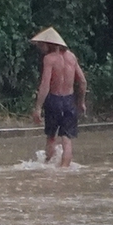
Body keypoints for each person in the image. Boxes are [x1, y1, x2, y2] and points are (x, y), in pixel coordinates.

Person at [29, 27, 88, 167]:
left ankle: (47, 167)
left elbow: (45, 85)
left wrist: (37, 108)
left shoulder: (49, 59)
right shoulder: (71, 57)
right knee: (67, 140)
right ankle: (64, 171)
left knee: (51, 138)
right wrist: (81, 102)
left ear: (49, 44)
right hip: (69, 101)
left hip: (54, 101)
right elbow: (83, 81)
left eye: (42, 44)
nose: (40, 48)